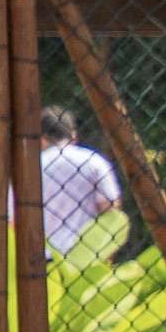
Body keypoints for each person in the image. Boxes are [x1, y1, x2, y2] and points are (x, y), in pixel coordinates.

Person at [37, 107, 122, 256]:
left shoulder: (31, 167)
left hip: (40, 258)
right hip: (85, 257)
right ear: (73, 135)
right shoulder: (94, 161)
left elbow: (12, 219)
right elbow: (110, 210)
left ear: (41, 138)